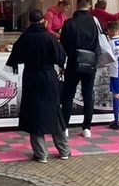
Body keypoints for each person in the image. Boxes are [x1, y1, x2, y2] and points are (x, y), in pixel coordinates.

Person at [5, 9, 70, 162]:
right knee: (55, 111)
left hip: (31, 78)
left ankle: (41, 154)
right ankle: (64, 150)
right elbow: (61, 57)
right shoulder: (50, 38)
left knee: (35, 113)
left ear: (30, 21)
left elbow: (16, 58)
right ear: (43, 21)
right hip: (48, 77)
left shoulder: (24, 38)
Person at [59, 0, 100, 138]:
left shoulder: (69, 23)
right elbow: (99, 41)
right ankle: (86, 127)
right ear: (89, 6)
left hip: (73, 61)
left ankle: (65, 127)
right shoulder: (94, 22)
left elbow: (62, 44)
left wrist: (61, 63)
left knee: (68, 94)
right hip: (90, 62)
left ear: (76, 5)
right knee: (88, 94)